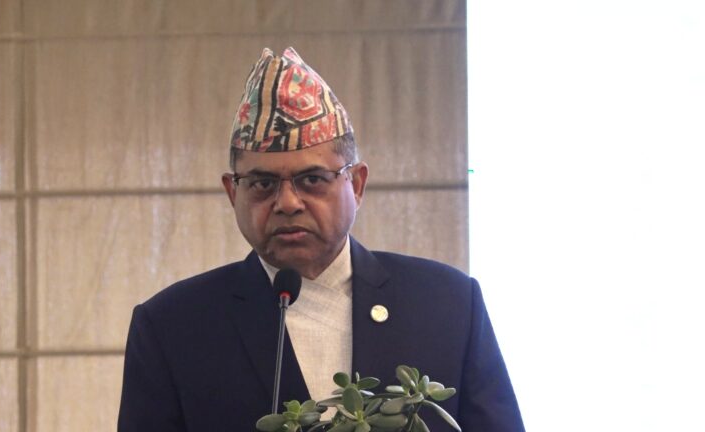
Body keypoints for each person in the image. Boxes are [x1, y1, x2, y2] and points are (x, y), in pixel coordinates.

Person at [118, 47, 525, 431]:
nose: (287, 203)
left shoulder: (446, 304)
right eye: (262, 183)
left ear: (357, 184)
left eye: (312, 179)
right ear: (232, 192)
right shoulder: (174, 327)